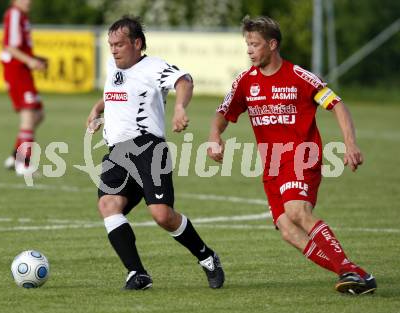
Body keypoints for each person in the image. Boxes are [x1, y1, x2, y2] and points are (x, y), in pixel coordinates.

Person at [207, 16, 376, 295]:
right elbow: (222, 114)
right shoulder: (245, 81)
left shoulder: (298, 76)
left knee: (297, 212)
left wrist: (350, 144)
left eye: (255, 44)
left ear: (272, 45)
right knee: (287, 229)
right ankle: (356, 274)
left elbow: (336, 105)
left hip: (301, 157)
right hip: (271, 166)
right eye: (247, 44)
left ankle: (348, 269)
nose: (249, 50)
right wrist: (215, 137)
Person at [86, 16, 224, 290]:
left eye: (120, 44)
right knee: (108, 206)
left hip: (148, 149)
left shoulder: (153, 67)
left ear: (137, 43)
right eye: (111, 44)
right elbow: (117, 91)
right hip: (117, 152)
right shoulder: (115, 67)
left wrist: (180, 108)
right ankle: (137, 273)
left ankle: (207, 257)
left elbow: (185, 81)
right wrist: (98, 108)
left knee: (162, 215)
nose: (113, 50)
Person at [0, 0, 46, 175]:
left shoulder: (22, 16)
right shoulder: (14, 14)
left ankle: (15, 156)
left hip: (23, 69)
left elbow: (20, 47)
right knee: (29, 114)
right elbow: (9, 46)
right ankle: (23, 164)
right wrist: (30, 61)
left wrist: (35, 58)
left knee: (39, 115)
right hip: (17, 70)